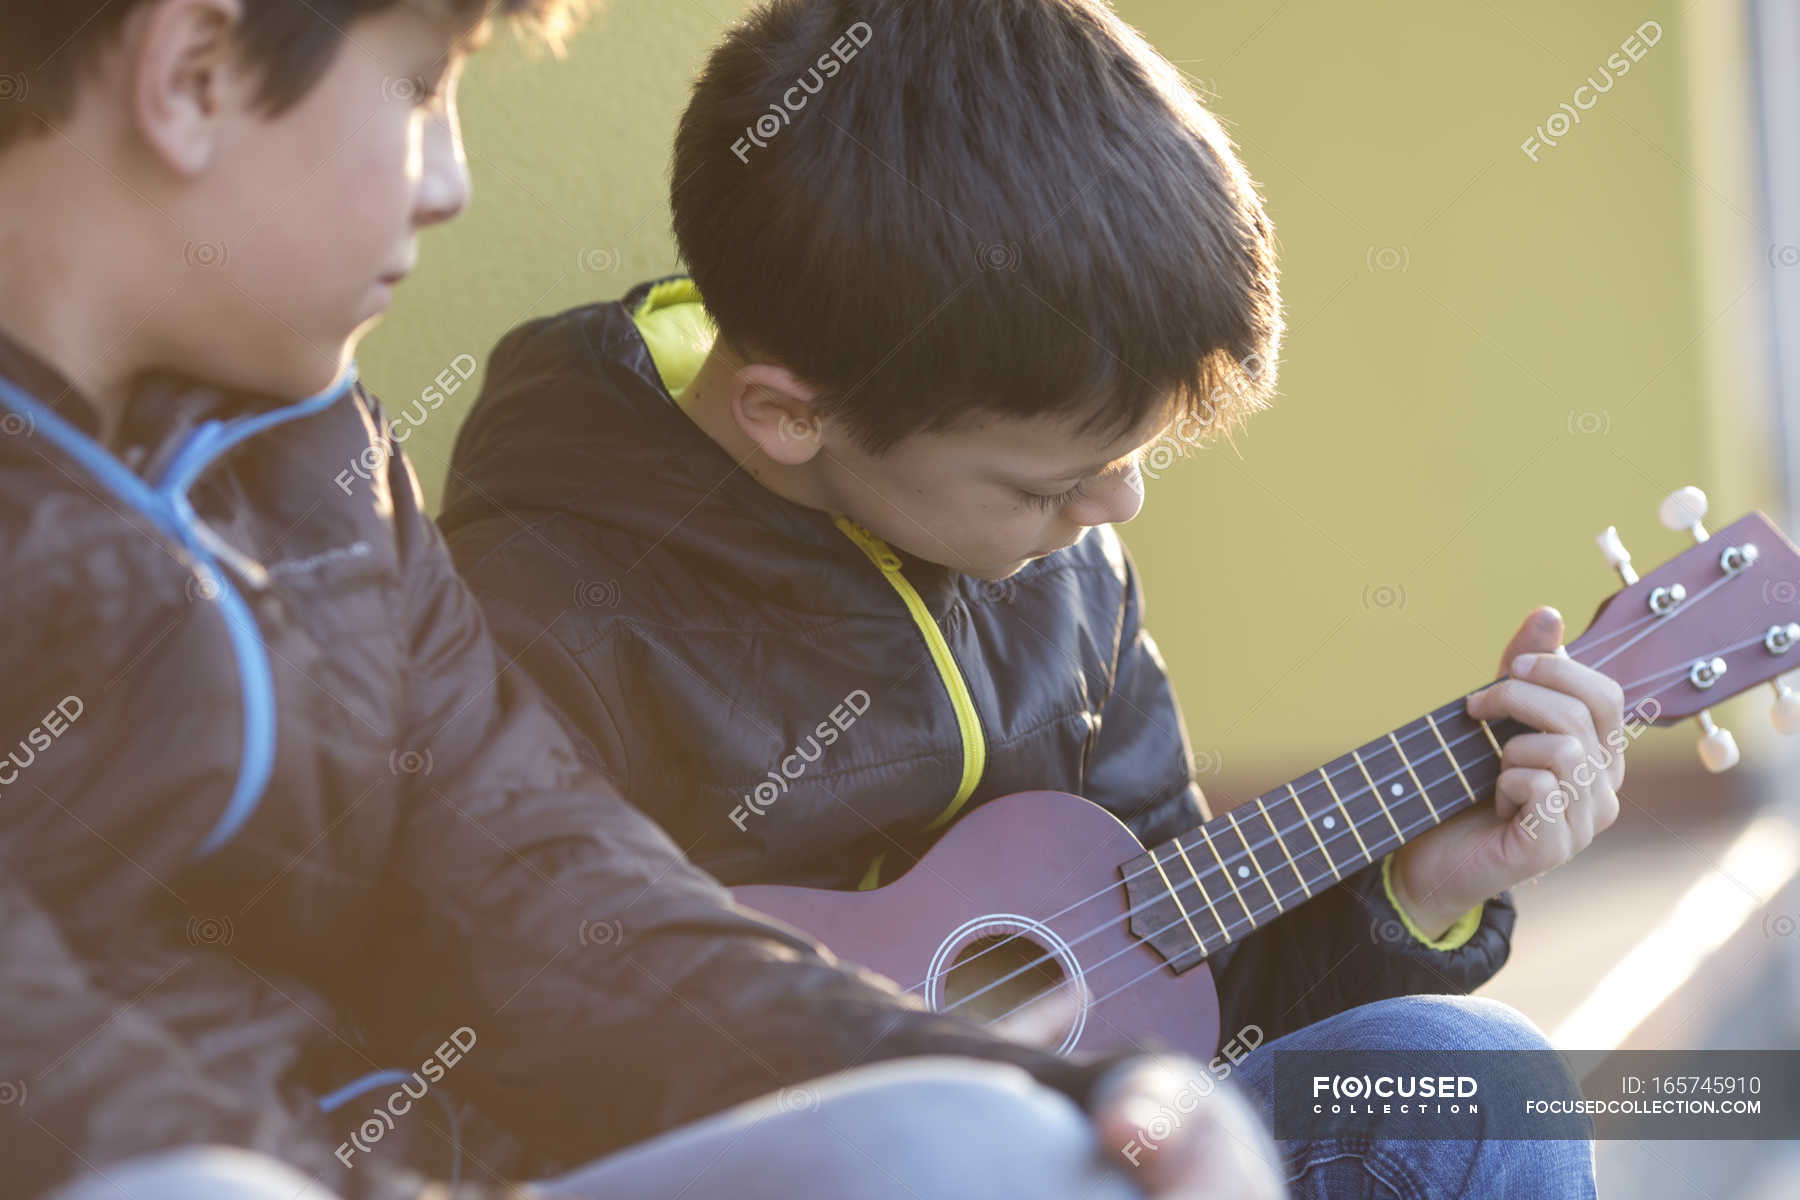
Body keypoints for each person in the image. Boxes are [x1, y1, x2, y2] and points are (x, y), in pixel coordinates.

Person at [0, 3, 1285, 1197]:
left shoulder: (330, 472)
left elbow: (564, 898)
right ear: (193, 76)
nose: (448, 182)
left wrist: (1064, 1087)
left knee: (1006, 1141)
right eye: (422, 91)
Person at [440, 1, 1621, 1195]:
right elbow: (529, 1042)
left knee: (1468, 1085)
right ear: (791, 416)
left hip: (1107, 1132)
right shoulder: (547, 612)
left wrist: (1415, 890)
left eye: (1135, 459)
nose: (1117, 509)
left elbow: (1172, 992)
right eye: (1054, 482)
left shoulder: (1064, 561)